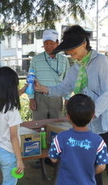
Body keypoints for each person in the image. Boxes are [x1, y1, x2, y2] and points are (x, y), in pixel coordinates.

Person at [34, 25, 108, 185]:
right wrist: (44, 89)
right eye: (69, 52)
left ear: (84, 44)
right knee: (93, 163)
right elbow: (63, 88)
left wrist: (93, 112)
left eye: (73, 50)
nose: (71, 54)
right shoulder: (76, 66)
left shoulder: (101, 62)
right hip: (90, 123)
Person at [49, 94, 108, 185]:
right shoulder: (98, 141)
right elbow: (102, 166)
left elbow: (53, 158)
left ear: (68, 116)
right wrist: (89, 172)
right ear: (93, 115)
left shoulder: (60, 138)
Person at [28, 29, 70, 168]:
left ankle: (55, 156)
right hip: (39, 98)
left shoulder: (64, 60)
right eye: (46, 43)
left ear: (57, 43)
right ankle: (37, 157)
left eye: (51, 43)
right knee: (38, 127)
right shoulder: (36, 59)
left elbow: (67, 80)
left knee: (57, 127)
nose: (48, 46)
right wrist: (31, 98)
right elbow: (30, 79)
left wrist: (67, 98)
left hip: (57, 98)